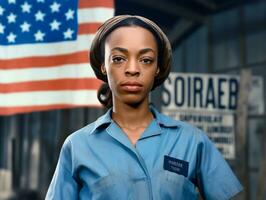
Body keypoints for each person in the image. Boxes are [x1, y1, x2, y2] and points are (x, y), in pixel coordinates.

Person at [45, 15, 243, 200]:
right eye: (118, 59)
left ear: (157, 67)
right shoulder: (78, 146)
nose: (132, 69)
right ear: (103, 65)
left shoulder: (191, 141)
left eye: (146, 60)